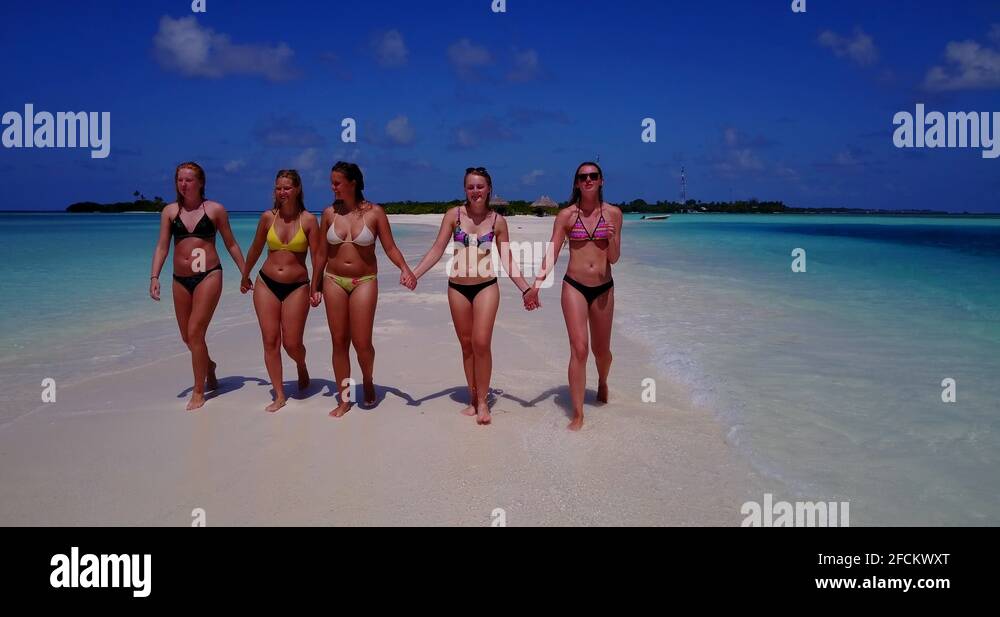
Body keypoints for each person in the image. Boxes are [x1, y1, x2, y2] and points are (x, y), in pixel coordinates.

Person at [411, 167, 536, 425]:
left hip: (486, 286)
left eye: (480, 186)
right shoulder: (453, 216)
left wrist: (526, 289)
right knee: (466, 345)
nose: (475, 191)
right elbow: (437, 249)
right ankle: (472, 396)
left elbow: (507, 260)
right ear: (465, 189)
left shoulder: (498, 221)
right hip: (457, 287)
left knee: (481, 342)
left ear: (489, 188)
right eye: (471, 187)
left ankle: (483, 402)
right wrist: (415, 274)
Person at [312, 162, 417, 417]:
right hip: (333, 280)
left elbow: (390, 247)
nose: (332, 187)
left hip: (365, 281)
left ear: (353, 183)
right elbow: (321, 254)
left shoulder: (375, 213)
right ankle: (344, 399)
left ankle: (367, 379)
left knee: (362, 343)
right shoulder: (328, 214)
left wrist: (405, 268)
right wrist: (314, 285)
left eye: (337, 182)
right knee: (339, 342)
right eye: (332, 182)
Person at [524, 162, 622, 430]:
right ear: (577, 183)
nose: (588, 180)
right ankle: (578, 413)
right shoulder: (567, 216)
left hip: (604, 287)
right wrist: (536, 284)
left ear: (601, 181)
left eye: (593, 176)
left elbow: (614, 257)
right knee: (579, 348)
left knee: (601, 351)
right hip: (574, 286)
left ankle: (602, 381)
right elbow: (553, 252)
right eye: (583, 177)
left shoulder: (613, 214)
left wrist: (611, 238)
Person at [149, 161, 247, 410]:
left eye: (189, 179)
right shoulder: (170, 212)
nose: (183, 184)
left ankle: (199, 391)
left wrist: (244, 272)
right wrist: (154, 277)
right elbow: (162, 246)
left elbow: (231, 243)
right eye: (180, 180)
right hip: (180, 279)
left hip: (209, 276)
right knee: (187, 337)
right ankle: (209, 366)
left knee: (195, 332)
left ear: (201, 182)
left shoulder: (215, 210)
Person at [240, 170, 323, 412]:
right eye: (278, 188)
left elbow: (318, 257)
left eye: (287, 188)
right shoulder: (268, 217)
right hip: (266, 283)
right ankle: (279, 394)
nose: (282, 192)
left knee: (292, 342)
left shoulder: (308, 220)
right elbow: (256, 248)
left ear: (297, 189)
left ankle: (301, 364)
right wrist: (245, 274)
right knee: (270, 341)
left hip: (297, 286)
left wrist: (316, 286)